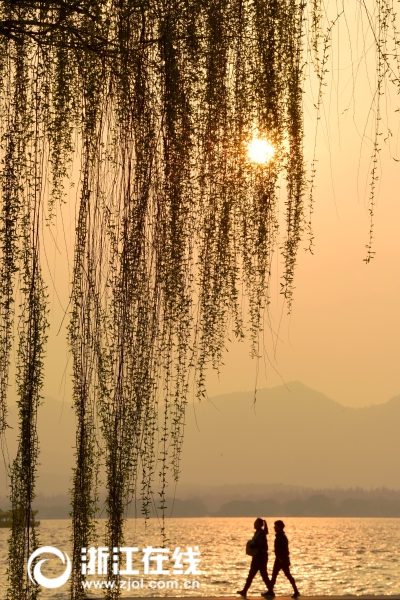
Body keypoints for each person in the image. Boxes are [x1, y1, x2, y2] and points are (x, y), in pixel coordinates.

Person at [261, 520, 300, 598]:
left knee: (287, 575)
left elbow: (285, 550)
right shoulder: (279, 536)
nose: (274, 528)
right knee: (275, 575)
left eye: (275, 526)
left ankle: (296, 591)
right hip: (279, 559)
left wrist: (281, 559)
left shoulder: (282, 537)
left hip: (282, 560)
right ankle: (270, 591)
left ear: (279, 527)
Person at [237, 518, 272, 598]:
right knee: (251, 575)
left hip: (261, 558)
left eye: (256, 523)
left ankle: (270, 590)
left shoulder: (261, 533)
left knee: (263, 575)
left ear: (260, 525)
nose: (254, 524)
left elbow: (258, 544)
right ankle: (244, 591)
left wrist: (250, 545)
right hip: (257, 557)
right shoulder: (258, 533)